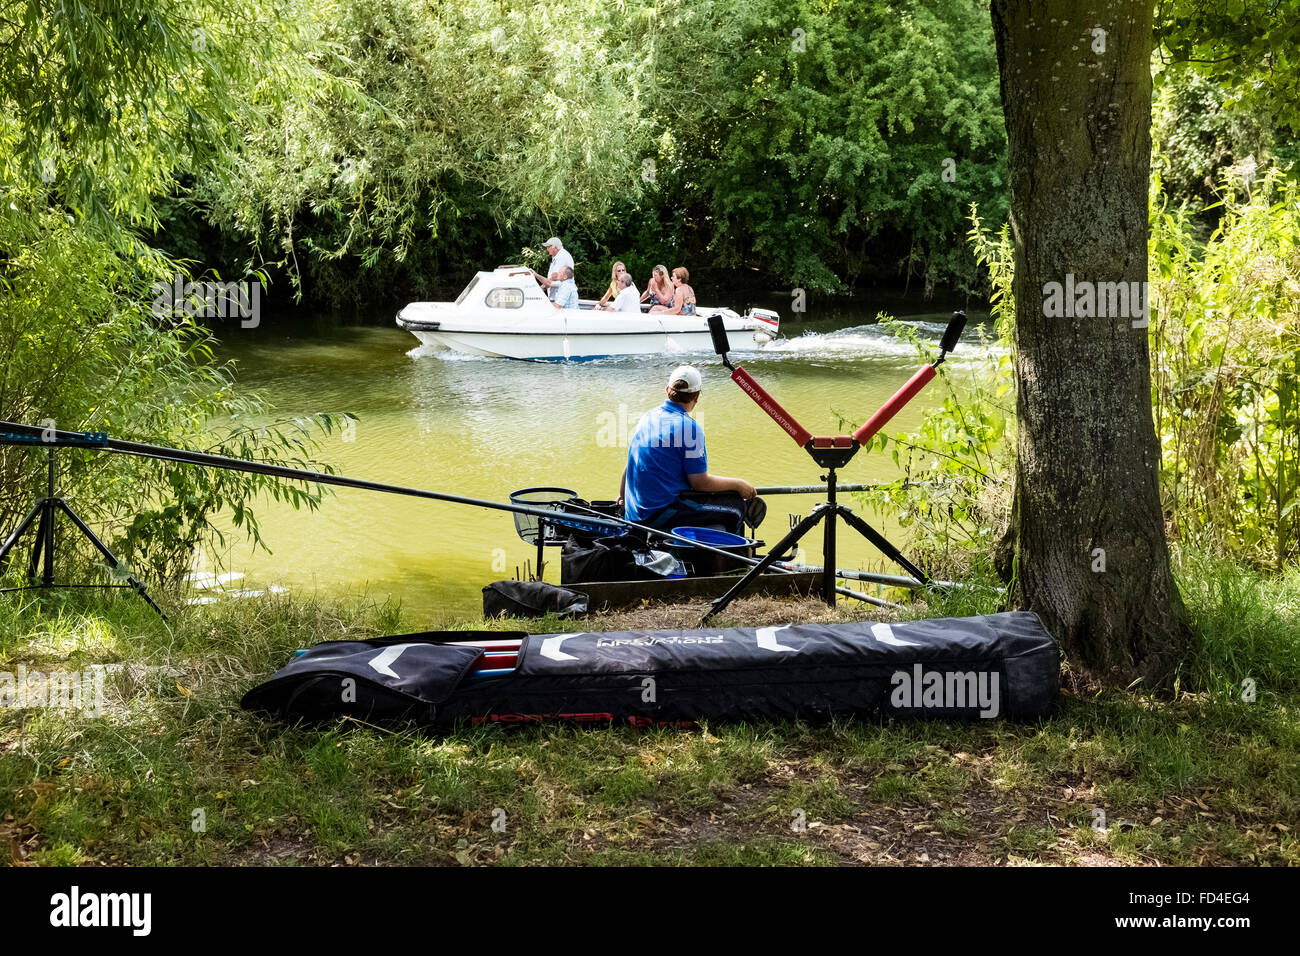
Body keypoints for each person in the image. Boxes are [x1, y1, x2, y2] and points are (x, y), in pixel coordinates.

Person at [621, 365, 757, 534]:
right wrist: (738, 484)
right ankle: (735, 558)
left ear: (667, 390)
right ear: (697, 395)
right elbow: (700, 482)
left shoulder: (648, 416)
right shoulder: (689, 428)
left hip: (634, 513)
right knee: (736, 507)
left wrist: (622, 498)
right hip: (657, 514)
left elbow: (629, 463)